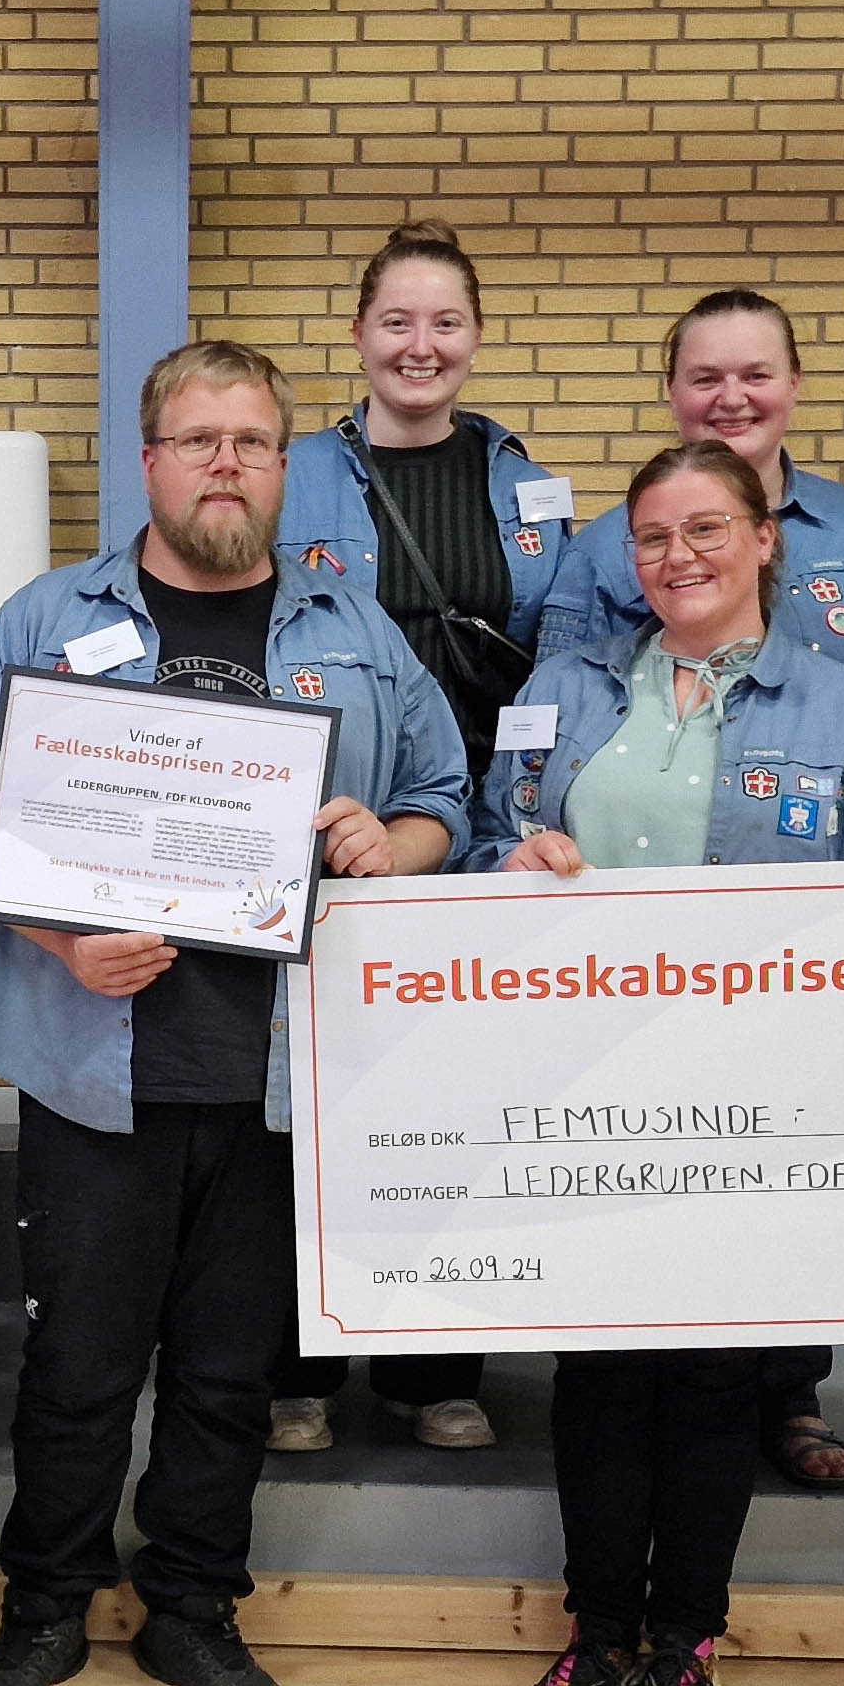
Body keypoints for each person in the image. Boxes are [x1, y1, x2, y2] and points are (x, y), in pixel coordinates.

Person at [0, 340, 469, 1686]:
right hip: (92, 1067)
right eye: (200, 439)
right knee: (78, 1372)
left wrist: (385, 842)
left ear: (285, 467)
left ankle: (193, 1607)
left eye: (254, 441)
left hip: (280, 1076)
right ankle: (43, 1608)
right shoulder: (46, 619)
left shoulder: (356, 632)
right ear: (150, 460)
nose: (228, 463)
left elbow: (445, 802)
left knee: (229, 1378)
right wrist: (56, 936)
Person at [474, 439, 844, 1686]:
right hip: (584, 1081)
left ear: (765, 538)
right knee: (600, 1373)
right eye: (654, 536)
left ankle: (686, 1643)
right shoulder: (562, 687)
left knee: (718, 1378)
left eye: (707, 529)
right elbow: (492, 836)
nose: (678, 556)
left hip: (758, 1092)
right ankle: (598, 1631)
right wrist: (515, 858)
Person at [534, 287, 844, 1493]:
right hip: (604, 1005)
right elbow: (550, 743)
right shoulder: (598, 562)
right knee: (616, 1320)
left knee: (753, 1267)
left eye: (755, 373)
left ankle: (785, 1396)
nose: (731, 396)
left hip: (784, 961)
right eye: (704, 376)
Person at [268, 217, 580, 1455]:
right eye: (397, 319)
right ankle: (294, 1365)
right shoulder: (296, 471)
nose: (421, 343)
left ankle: (433, 1365)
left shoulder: (524, 483)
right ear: (358, 334)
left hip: (477, 827)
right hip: (330, 827)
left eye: (446, 321)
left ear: (476, 337)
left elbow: (564, 655)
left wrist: (534, 812)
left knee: (453, 1099)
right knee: (303, 1100)